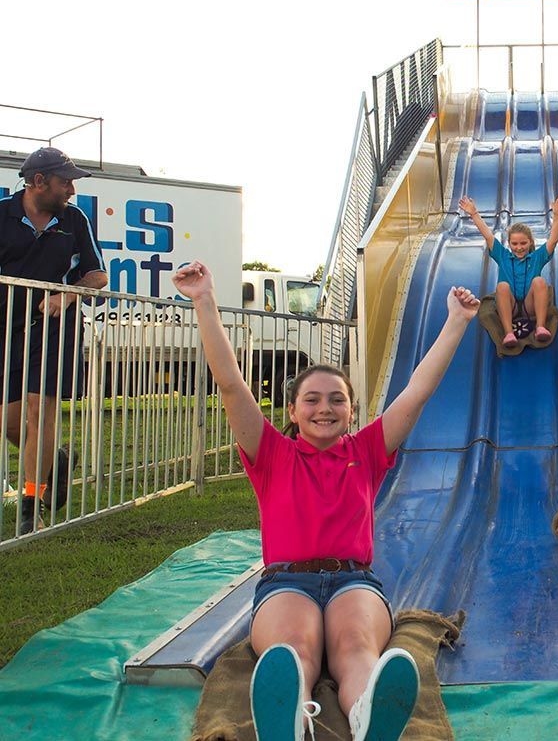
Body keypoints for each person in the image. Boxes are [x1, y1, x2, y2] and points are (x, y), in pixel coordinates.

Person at [172, 260, 480, 741]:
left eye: (337, 399)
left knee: (356, 647)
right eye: (311, 399)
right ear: (292, 412)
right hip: (285, 582)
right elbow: (231, 384)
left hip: (353, 580)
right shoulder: (271, 453)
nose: (324, 408)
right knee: (295, 651)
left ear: (352, 412)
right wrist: (205, 301)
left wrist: (456, 323)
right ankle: (289, 720)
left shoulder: (368, 451)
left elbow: (417, 392)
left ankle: (367, 718)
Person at [1, 147, 107, 535]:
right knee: (11, 422)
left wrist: (67, 295)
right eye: (66, 181)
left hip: (54, 327)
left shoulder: (74, 219)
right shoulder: (2, 216)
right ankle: (57, 463)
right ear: (38, 182)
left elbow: (97, 276)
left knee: (37, 411)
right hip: (7, 329)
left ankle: (31, 506)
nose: (72, 190)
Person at [458, 194, 558, 348]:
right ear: (509, 243)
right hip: (510, 306)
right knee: (502, 286)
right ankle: (509, 333)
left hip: (531, 306)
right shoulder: (503, 256)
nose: (519, 247)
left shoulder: (537, 257)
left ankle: (540, 327)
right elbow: (488, 236)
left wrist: (557, 216)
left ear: (530, 242)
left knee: (539, 281)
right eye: (514, 243)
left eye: (523, 243)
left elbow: (553, 240)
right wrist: (474, 214)